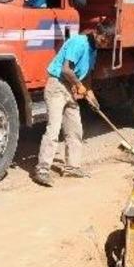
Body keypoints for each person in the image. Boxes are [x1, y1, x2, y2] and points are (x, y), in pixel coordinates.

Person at [33, 27, 104, 187]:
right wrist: (79, 85)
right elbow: (66, 70)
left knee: (75, 129)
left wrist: (90, 95)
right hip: (57, 85)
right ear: (97, 33)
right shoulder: (79, 42)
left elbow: (87, 76)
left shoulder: (94, 50)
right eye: (104, 39)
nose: (105, 43)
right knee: (54, 128)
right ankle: (42, 170)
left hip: (70, 87)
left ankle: (72, 167)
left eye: (109, 41)